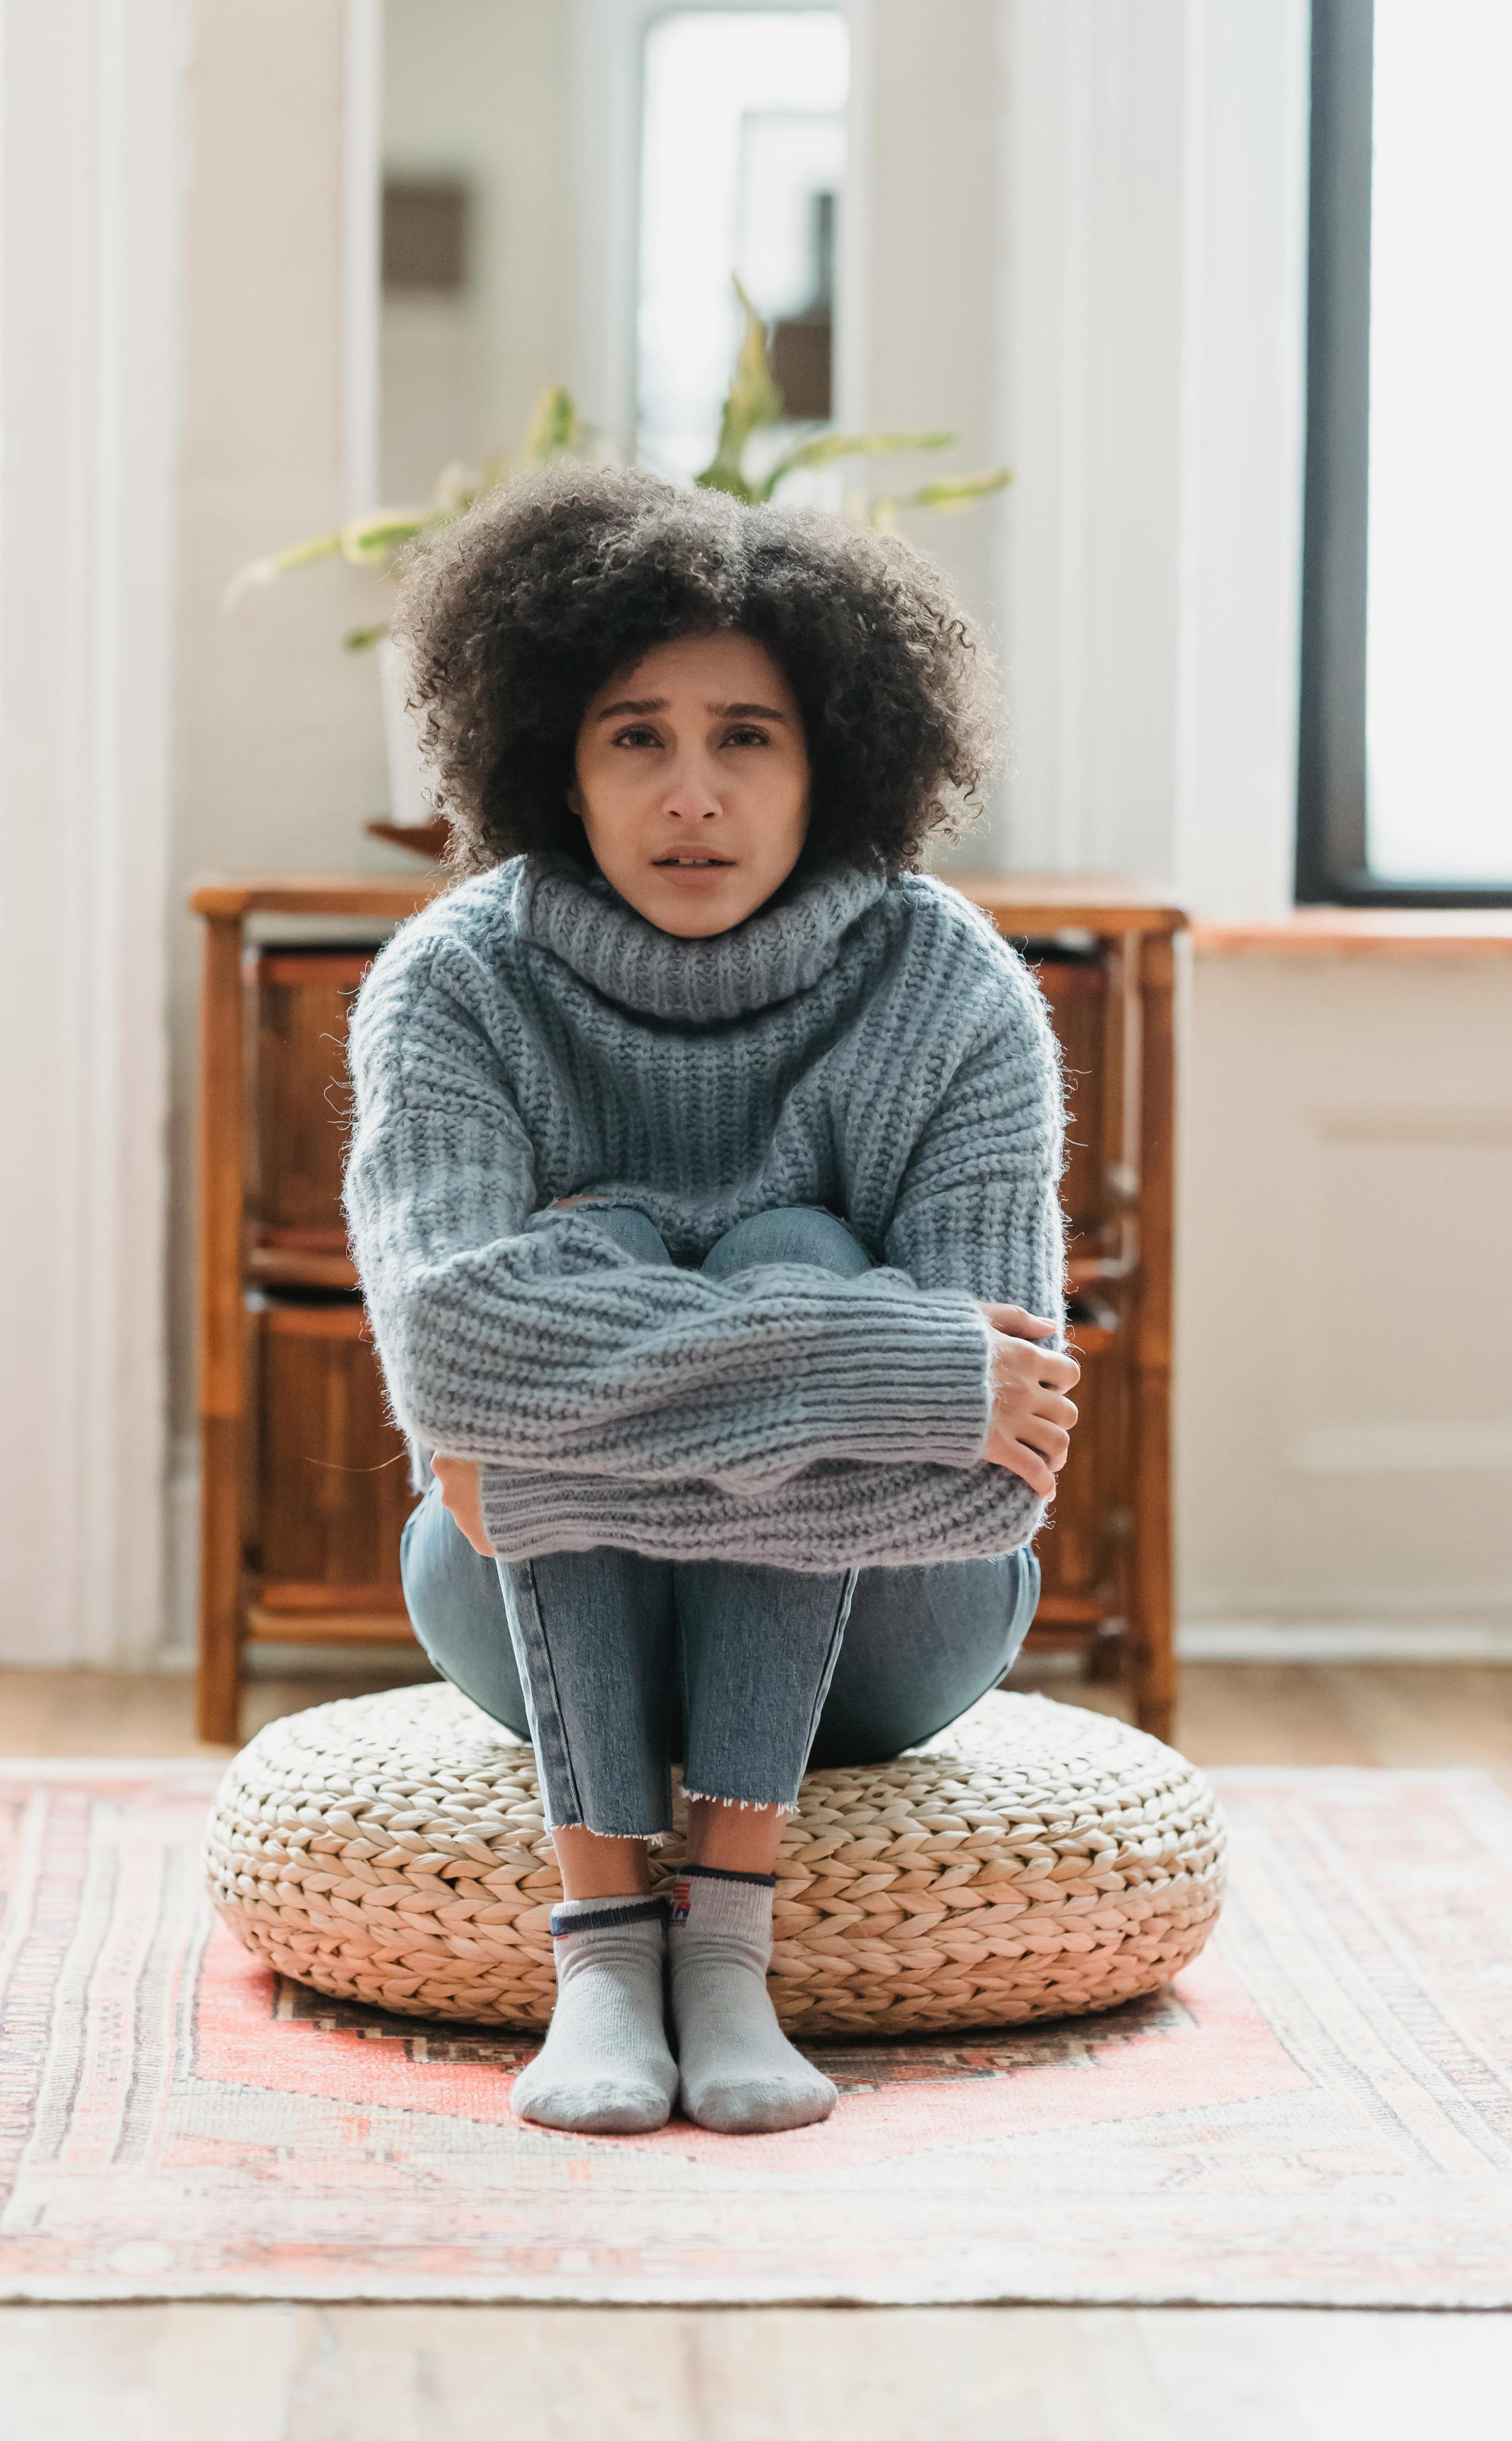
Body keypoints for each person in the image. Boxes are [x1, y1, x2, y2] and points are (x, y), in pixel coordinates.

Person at [343, 466, 1079, 2139]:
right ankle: (607, 1947)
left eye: (746, 735)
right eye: (635, 738)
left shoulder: (950, 985)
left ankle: (724, 1942)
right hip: (513, 1621)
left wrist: (547, 1428)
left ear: (833, 757)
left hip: (900, 1628)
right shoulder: (458, 980)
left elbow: (993, 1473)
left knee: (788, 1253)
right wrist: (876, 1367)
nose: (693, 793)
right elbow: (447, 1351)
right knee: (741, 1275)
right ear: (555, 759)